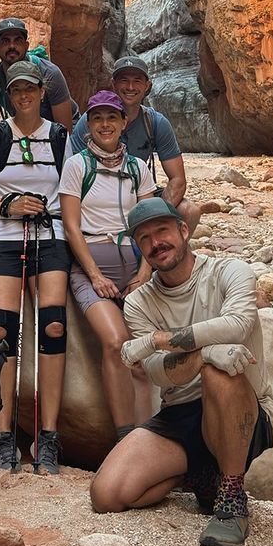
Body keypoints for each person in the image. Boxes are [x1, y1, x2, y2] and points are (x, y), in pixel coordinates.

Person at [89, 198, 273, 546]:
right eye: (144, 238)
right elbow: (159, 374)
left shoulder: (229, 272)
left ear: (183, 230)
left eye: (162, 230)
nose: (156, 242)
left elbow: (237, 325)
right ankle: (202, 478)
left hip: (238, 406)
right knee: (107, 495)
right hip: (180, 414)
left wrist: (158, 341)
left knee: (219, 372)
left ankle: (232, 498)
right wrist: (205, 352)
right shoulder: (139, 301)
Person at [0, 61, 70, 474]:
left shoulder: (60, 137)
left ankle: (49, 436)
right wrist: (7, 204)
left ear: (42, 92)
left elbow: (74, 187)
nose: (23, 96)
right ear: (9, 95)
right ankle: (5, 431)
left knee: (54, 325)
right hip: (5, 237)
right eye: (16, 91)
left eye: (30, 89)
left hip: (50, 234)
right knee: (2, 329)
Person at [59, 91, 156, 440]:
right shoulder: (77, 166)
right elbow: (71, 227)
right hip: (91, 269)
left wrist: (145, 273)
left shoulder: (138, 168)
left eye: (111, 117)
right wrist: (95, 276)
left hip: (135, 270)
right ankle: (124, 437)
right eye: (97, 117)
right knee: (116, 343)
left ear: (123, 122)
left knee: (142, 355)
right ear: (88, 122)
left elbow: (149, 224)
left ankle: (147, 441)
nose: (104, 124)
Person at [70, 55, 203, 234]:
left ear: (147, 86)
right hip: (97, 193)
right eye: (124, 80)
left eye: (137, 81)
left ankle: (166, 259)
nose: (130, 87)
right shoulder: (89, 123)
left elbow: (178, 180)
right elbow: (72, 176)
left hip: (142, 194)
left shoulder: (156, 123)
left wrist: (156, 213)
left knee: (189, 211)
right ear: (113, 83)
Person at [0, 18, 75, 133]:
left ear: (26, 46)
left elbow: (65, 131)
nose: (12, 46)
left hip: (67, 133)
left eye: (17, 41)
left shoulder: (49, 74)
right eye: (5, 41)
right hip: (28, 131)